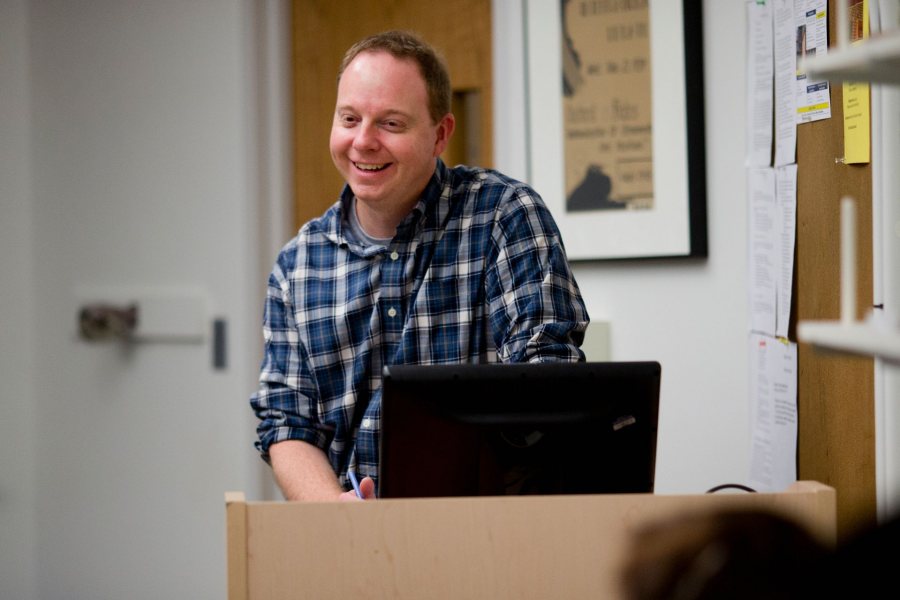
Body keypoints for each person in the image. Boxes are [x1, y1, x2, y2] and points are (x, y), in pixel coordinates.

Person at [250, 30, 589, 502]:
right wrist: (332, 514)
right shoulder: (297, 266)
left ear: (440, 134)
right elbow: (287, 421)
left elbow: (548, 371)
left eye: (390, 124)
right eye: (349, 118)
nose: (363, 142)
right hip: (350, 542)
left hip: (490, 529)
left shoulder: (502, 217)